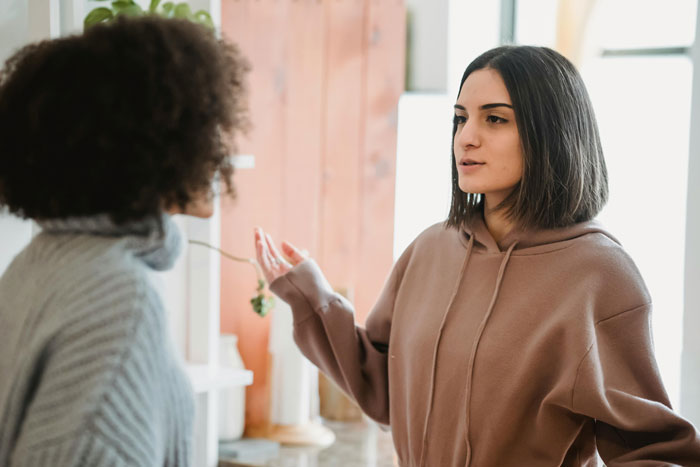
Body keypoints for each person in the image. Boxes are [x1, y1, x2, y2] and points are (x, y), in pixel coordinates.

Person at [254, 45, 700, 466]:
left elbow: (650, 449)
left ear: (551, 133)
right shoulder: (430, 249)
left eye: (495, 120)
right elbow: (383, 389)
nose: (466, 138)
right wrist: (309, 294)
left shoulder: (599, 275)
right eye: (461, 118)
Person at [0, 16, 247, 466]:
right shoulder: (120, 301)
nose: (216, 148)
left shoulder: (37, 264)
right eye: (199, 125)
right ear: (150, 142)